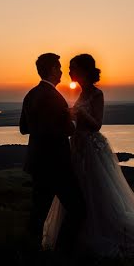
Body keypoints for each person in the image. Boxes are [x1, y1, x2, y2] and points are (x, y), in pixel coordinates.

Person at [42, 54, 134, 256]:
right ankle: (77, 237)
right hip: (77, 148)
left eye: (72, 67)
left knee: (97, 192)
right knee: (79, 192)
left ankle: (103, 233)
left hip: (91, 149)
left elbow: (97, 124)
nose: (69, 72)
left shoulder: (97, 94)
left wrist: (79, 114)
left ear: (84, 70)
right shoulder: (80, 93)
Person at [19, 53, 87, 253]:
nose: (61, 72)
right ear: (50, 70)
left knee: (38, 211)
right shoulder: (55, 98)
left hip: (37, 163)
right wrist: (73, 119)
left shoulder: (30, 95)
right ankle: (62, 252)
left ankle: (29, 252)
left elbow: (24, 128)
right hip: (56, 164)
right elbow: (66, 130)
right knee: (78, 209)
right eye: (58, 68)